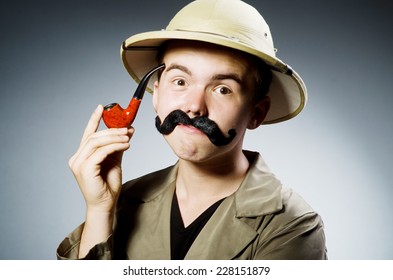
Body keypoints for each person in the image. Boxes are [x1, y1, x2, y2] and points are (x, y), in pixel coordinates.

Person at [57, 0, 327, 260]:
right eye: (180, 81)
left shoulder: (293, 226)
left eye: (222, 89)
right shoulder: (125, 199)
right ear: (156, 95)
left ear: (256, 113)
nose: (194, 107)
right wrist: (100, 209)